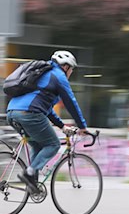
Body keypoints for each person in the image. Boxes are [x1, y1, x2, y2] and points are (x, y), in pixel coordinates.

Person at [6, 50, 88, 193]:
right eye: (71, 70)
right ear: (66, 67)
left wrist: (62, 126)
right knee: (53, 144)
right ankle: (30, 173)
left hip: (12, 113)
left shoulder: (43, 74)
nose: (70, 73)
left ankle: (32, 184)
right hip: (29, 114)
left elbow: (47, 109)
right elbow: (71, 102)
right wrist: (82, 126)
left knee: (38, 145)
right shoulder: (59, 76)